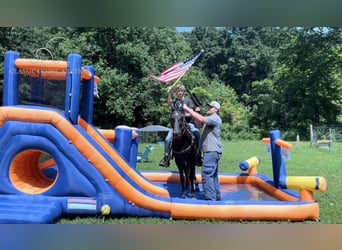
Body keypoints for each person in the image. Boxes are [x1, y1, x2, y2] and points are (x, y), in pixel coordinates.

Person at [183, 101, 223, 201]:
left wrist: (188, 109)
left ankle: (210, 199)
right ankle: (216, 197)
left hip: (211, 150)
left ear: (216, 110)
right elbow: (198, 124)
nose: (209, 108)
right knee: (213, 175)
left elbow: (201, 119)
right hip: (212, 150)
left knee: (206, 174)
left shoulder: (215, 118)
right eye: (209, 106)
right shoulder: (211, 119)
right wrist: (197, 112)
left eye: (211, 107)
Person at [159, 84, 201, 168]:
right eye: (178, 91)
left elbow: (191, 113)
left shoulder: (188, 101)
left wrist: (183, 115)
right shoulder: (175, 101)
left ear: (183, 92)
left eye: (181, 91)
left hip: (188, 123)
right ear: (176, 93)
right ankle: (166, 157)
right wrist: (169, 93)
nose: (180, 93)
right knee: (167, 139)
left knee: (197, 134)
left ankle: (198, 155)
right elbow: (168, 103)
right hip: (176, 125)